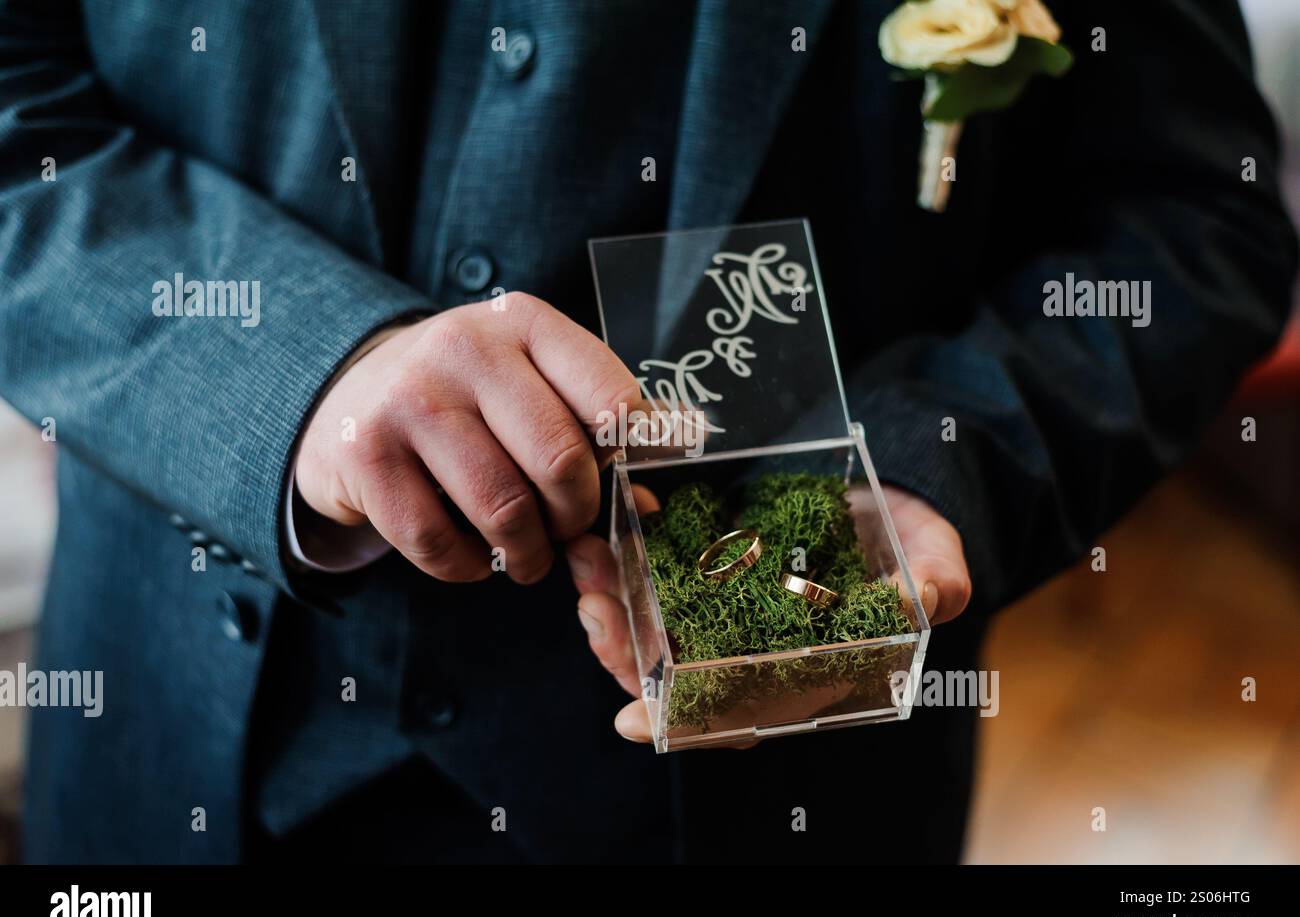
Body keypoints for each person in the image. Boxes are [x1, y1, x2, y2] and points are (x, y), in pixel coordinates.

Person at [0, 0, 1293, 863]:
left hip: (773, 744)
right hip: (178, 742)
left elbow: (1190, 218)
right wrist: (294, 370)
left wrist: (936, 462)